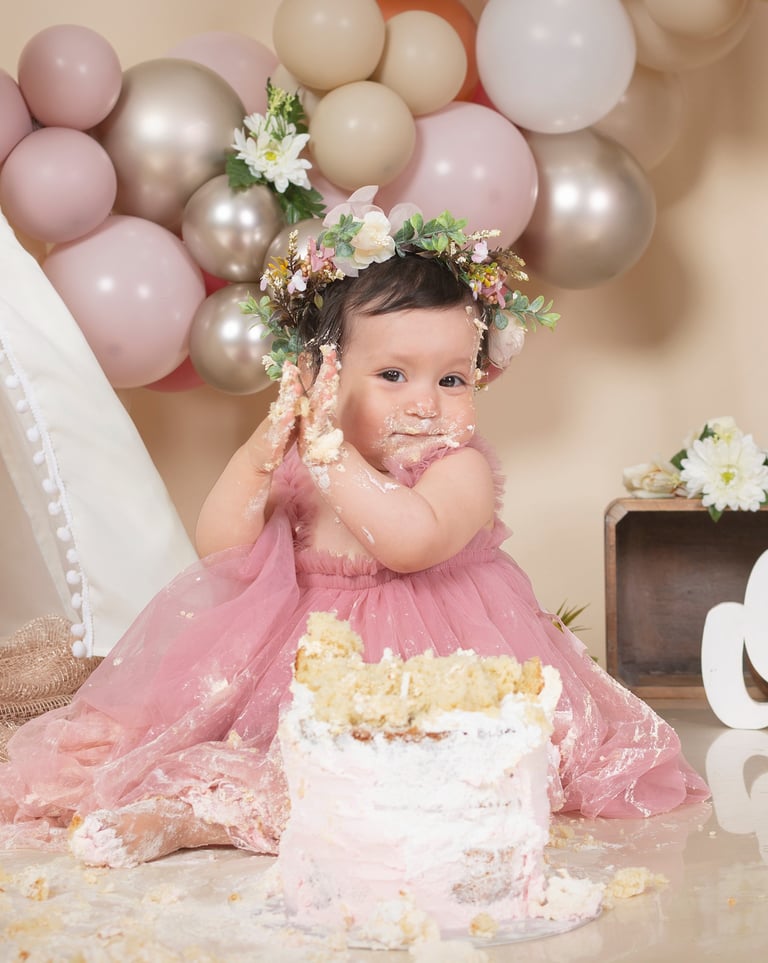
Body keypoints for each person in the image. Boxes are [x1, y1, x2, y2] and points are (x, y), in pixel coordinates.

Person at [0, 189, 709, 867]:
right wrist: (260, 457)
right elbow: (225, 549)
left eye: (452, 380)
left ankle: (201, 819)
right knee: (228, 744)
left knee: (396, 775)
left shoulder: (455, 469)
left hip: (421, 669)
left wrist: (327, 454)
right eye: (393, 374)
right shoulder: (305, 464)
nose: (425, 404)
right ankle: (187, 807)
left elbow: (410, 541)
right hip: (300, 663)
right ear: (323, 377)